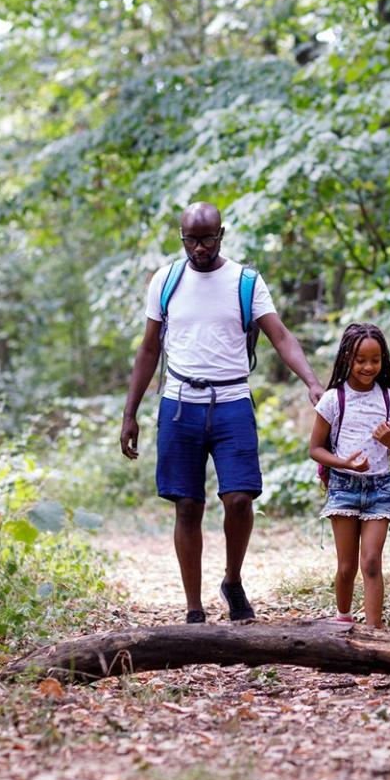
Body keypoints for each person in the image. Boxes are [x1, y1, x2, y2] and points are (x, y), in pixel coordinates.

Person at [120, 202, 324, 623]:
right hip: (179, 406)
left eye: (207, 238)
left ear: (222, 234)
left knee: (239, 498)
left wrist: (312, 381)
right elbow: (148, 348)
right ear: (182, 238)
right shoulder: (166, 280)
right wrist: (130, 413)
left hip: (232, 403)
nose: (199, 247)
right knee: (187, 506)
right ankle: (194, 608)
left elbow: (281, 336)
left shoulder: (245, 282)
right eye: (191, 239)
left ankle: (232, 579)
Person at [308, 323, 390, 629]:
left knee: (371, 562)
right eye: (360, 360)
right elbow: (315, 449)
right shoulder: (333, 400)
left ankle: (374, 632)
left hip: (379, 488)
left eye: (375, 360)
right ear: (347, 359)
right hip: (344, 487)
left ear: (383, 360)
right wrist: (345, 463)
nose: (368, 367)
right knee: (347, 565)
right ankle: (343, 618)